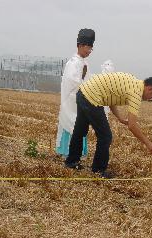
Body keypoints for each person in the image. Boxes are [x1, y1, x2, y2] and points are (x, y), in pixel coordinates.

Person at [65, 72, 152, 178]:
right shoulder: (136, 93)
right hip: (92, 97)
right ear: (149, 88)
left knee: (80, 130)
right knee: (105, 136)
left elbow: (111, 98)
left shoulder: (132, 82)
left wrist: (120, 118)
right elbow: (132, 125)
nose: (150, 99)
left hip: (83, 92)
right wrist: (148, 143)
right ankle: (99, 170)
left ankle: (71, 161)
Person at [55, 28, 95, 158]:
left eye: (91, 48)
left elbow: (88, 81)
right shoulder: (72, 63)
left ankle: (76, 155)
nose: (89, 51)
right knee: (70, 124)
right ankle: (67, 154)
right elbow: (72, 83)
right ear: (80, 46)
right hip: (71, 102)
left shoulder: (85, 63)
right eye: (88, 48)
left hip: (81, 102)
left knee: (79, 127)